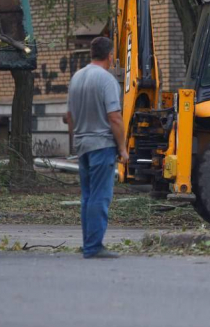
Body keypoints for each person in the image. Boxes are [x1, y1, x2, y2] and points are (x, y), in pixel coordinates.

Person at [66, 36, 128, 258]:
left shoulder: (76, 77)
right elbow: (115, 117)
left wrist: (75, 140)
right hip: (101, 145)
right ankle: (94, 247)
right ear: (110, 56)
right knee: (101, 197)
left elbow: (69, 116)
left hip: (82, 144)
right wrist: (122, 148)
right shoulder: (106, 80)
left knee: (88, 196)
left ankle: (88, 243)